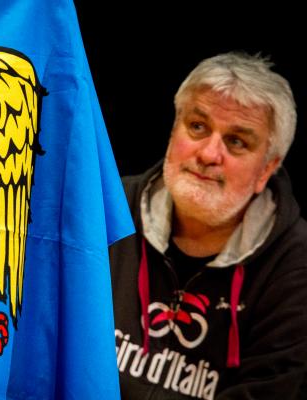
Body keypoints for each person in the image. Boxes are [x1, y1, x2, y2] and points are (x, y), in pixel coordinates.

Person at [110, 52, 307, 399]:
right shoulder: (106, 211)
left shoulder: (295, 267)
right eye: (198, 127)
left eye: (236, 141)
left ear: (267, 169)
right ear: (174, 130)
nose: (208, 154)